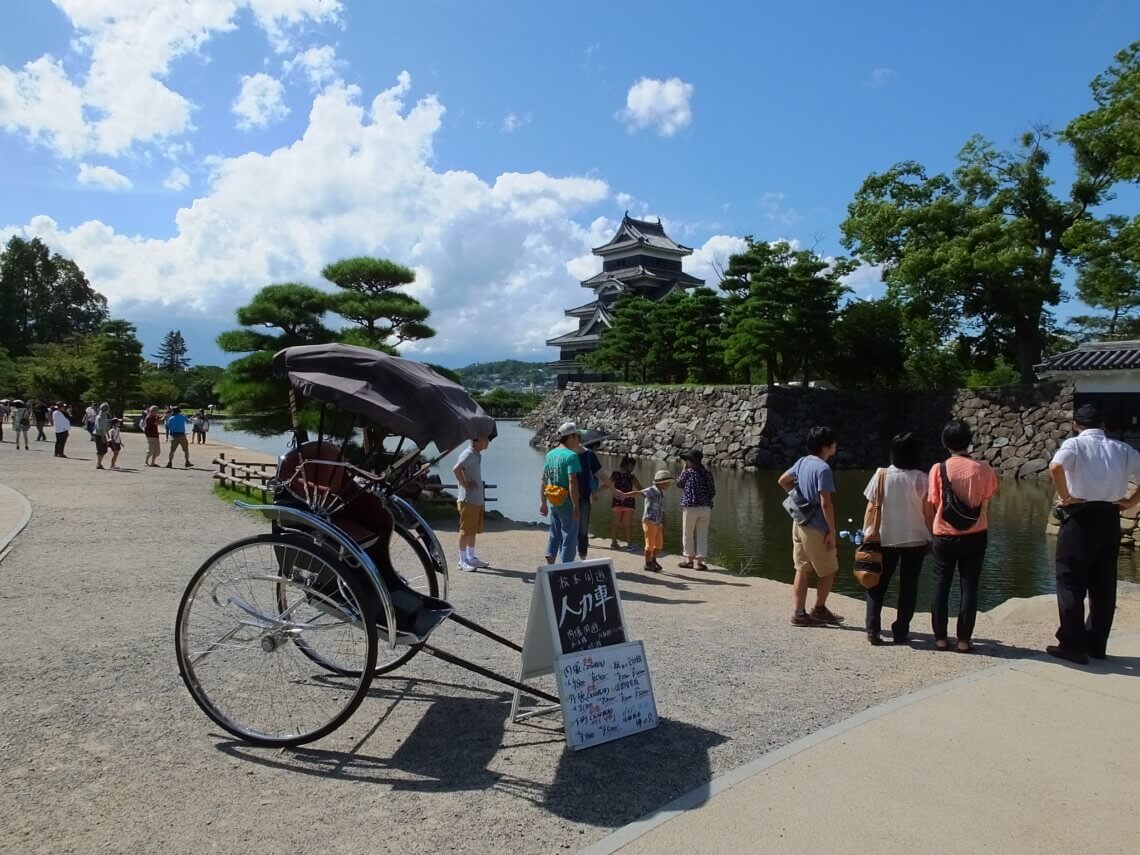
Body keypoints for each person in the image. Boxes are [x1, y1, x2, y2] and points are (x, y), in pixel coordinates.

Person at [1047, 403, 1140, 664]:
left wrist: (1065, 497)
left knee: (1070, 581)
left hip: (1080, 515)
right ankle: (1096, 644)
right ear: (1103, 425)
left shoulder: (1075, 445)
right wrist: (1131, 502)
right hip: (1109, 516)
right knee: (1103, 584)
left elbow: (1055, 467)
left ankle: (1072, 644)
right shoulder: (1122, 449)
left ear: (1076, 424)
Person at [927, 419, 999, 653]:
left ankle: (939, 638)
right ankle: (964, 641)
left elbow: (935, 503)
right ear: (969, 442)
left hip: (944, 535)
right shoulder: (984, 469)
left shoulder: (938, 469)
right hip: (976, 535)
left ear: (945, 443)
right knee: (970, 586)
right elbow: (985, 503)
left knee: (941, 584)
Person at [861, 432, 935, 645]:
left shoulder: (881, 475)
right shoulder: (922, 478)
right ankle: (901, 630)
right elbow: (928, 512)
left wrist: (867, 533)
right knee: (909, 586)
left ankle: (873, 630)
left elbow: (870, 509)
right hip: (916, 539)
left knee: (877, 583)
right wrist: (933, 537)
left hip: (885, 537)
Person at [778, 426, 845, 627]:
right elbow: (826, 503)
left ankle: (799, 613)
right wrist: (831, 532)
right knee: (829, 570)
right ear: (826, 446)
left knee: (802, 569)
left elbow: (783, 480)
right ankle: (819, 609)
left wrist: (799, 499)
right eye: (833, 443)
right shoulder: (823, 468)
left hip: (799, 522)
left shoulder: (802, 461)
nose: (836, 446)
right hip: (816, 526)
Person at [539, 422, 583, 565]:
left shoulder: (550, 455)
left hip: (554, 500)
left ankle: (550, 563)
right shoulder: (571, 456)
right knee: (569, 538)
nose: (578, 439)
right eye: (577, 436)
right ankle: (565, 569)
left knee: (555, 534)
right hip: (567, 503)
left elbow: (543, 480)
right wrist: (576, 505)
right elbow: (572, 481)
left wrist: (543, 502)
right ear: (570, 437)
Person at [618, 470, 673, 572]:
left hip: (658, 523)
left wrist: (664, 523)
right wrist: (625, 495)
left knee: (659, 544)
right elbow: (638, 493)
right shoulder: (651, 490)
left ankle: (653, 560)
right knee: (650, 543)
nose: (669, 485)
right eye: (668, 483)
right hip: (649, 521)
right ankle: (647, 563)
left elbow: (662, 510)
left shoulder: (662, 494)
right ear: (662, 483)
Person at [453, 434, 493, 572]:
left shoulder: (476, 454)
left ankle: (471, 557)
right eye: (486, 438)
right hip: (468, 500)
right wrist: (464, 484)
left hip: (476, 500)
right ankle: (462, 560)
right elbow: (456, 468)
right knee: (465, 530)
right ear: (477, 440)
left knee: (472, 530)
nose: (488, 441)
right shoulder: (469, 453)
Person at [676, 448, 716, 571]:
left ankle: (689, 559)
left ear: (690, 461)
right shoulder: (707, 473)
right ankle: (700, 562)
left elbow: (679, 483)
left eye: (687, 460)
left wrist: (683, 470)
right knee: (702, 535)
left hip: (690, 507)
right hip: (705, 507)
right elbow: (712, 491)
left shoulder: (688, 472)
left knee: (688, 533)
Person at [575, 434, 610, 560]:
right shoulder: (589, 455)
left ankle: (568, 560)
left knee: (569, 528)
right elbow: (600, 474)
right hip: (584, 496)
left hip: (567, 497)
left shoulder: (562, 453)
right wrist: (612, 489)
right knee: (582, 529)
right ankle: (581, 558)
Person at [609, 456, 643, 550]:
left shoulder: (615, 474)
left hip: (617, 502)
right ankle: (629, 545)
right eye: (633, 466)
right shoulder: (631, 477)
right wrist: (647, 494)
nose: (633, 469)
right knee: (628, 525)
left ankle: (613, 543)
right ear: (629, 465)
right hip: (629, 503)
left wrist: (596, 492)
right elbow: (640, 488)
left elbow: (607, 485)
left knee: (616, 523)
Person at [93, 403, 111, 469]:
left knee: (105, 449)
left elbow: (105, 427)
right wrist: (103, 437)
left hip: (102, 434)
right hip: (98, 435)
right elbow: (99, 428)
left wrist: (108, 435)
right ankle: (99, 464)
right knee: (100, 449)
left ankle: (99, 463)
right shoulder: (100, 417)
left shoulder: (105, 416)